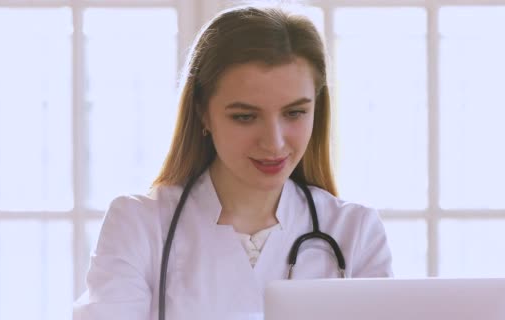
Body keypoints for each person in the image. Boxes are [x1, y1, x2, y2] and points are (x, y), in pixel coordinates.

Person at [73, 4, 392, 320]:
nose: (274, 142)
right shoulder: (139, 225)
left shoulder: (355, 232)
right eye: (245, 116)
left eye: (295, 112)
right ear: (202, 112)